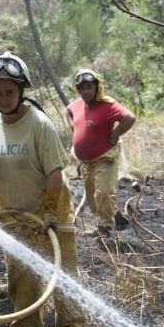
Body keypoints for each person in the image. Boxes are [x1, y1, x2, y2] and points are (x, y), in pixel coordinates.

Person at [0, 52, 89, 327]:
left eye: (9, 92)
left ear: (21, 91)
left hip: (51, 209)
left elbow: (55, 172)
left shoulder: (39, 124)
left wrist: (49, 210)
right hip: (13, 212)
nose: (3, 98)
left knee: (62, 272)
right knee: (21, 275)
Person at [66, 69, 136, 238]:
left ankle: (106, 230)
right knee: (92, 197)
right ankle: (103, 223)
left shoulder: (108, 105)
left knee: (104, 192)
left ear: (97, 87)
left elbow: (130, 117)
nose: (85, 91)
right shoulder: (76, 105)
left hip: (105, 159)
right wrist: (73, 128)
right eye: (81, 88)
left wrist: (116, 133)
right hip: (85, 162)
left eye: (89, 87)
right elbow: (68, 111)